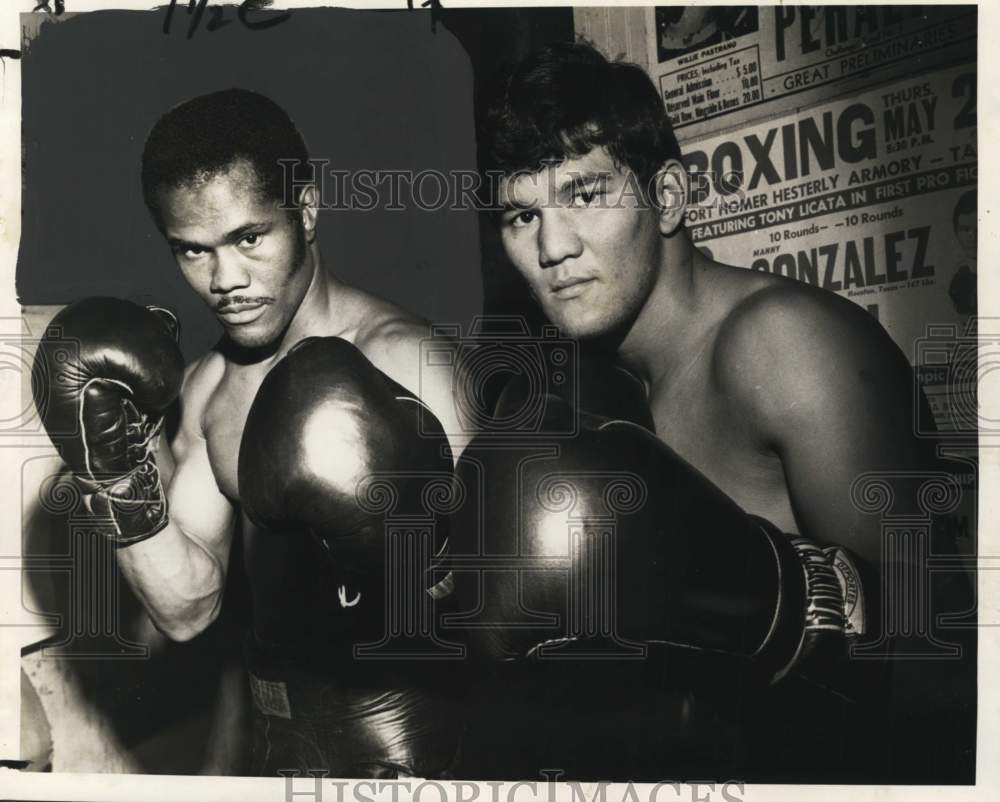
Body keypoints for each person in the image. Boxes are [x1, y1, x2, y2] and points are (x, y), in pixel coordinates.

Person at [457, 41, 975, 781]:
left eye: (585, 194)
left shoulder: (785, 347)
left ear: (667, 197)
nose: (553, 247)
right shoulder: (571, 391)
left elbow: (941, 667)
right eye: (519, 214)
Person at [32, 88, 469, 778]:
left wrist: (425, 557)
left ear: (308, 209)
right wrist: (113, 472)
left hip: (418, 751)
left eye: (248, 237)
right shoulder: (211, 387)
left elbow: (496, 612)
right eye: (192, 252)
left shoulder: (406, 359)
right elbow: (188, 610)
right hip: (274, 747)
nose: (225, 279)